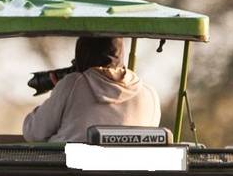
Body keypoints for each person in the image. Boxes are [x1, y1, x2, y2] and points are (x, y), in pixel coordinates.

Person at [22, 36, 161, 142]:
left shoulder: (72, 84)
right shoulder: (150, 94)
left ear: (82, 54)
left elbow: (33, 132)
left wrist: (59, 90)